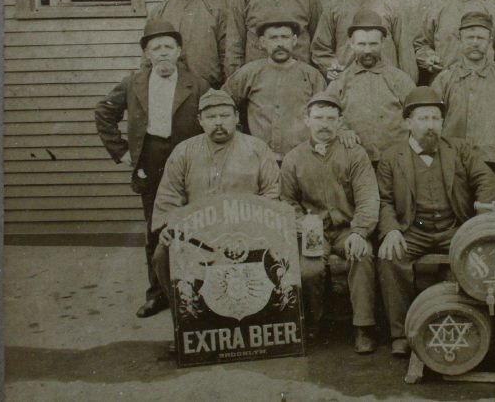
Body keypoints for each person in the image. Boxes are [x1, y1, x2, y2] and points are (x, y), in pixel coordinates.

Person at [94, 21, 210, 318]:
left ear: (179, 51)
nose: (162, 54)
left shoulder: (196, 84)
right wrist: (121, 153)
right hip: (150, 158)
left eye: (168, 47)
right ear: (146, 54)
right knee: (155, 226)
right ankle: (158, 294)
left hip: (188, 158)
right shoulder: (133, 83)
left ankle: (200, 290)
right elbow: (104, 111)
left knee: (196, 221)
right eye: (155, 48)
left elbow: (215, 118)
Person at [375, 87, 495, 357]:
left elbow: (486, 179)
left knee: (476, 256)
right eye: (423, 119)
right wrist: (392, 231)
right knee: (389, 257)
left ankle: (469, 329)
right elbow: (383, 200)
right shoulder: (390, 157)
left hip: (453, 229)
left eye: (435, 119)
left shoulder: (460, 148)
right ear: (408, 123)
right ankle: (401, 333)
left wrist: (481, 216)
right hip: (412, 230)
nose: (430, 126)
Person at [150, 89, 282, 328]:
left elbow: (272, 191)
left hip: (250, 235)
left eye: (224, 115)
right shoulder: (184, 152)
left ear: (236, 117)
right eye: (211, 117)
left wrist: (252, 225)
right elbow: (169, 197)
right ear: (200, 120)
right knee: (162, 253)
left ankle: (262, 323)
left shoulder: (257, 148)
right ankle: (186, 324)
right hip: (199, 237)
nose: (218, 123)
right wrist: (169, 227)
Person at [280, 93, 379, 353]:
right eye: (318, 118)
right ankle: (314, 322)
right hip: (314, 230)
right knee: (309, 270)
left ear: (340, 122)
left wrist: (360, 232)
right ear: (306, 121)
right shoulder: (293, 158)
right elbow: (287, 201)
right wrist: (304, 226)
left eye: (330, 119)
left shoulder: (354, 154)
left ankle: (363, 326)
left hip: (348, 229)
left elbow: (368, 198)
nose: (324, 124)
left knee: (363, 255)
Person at [430, 11, 495, 176]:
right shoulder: (444, 79)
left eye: (480, 38)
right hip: (454, 164)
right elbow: (432, 124)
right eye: (469, 37)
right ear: (460, 40)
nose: (475, 43)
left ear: (490, 41)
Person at [223, 18, 328, 161]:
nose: (280, 43)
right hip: (259, 158)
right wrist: (237, 135)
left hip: (302, 158)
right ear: (262, 42)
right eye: (273, 38)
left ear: (294, 40)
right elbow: (221, 102)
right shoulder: (249, 73)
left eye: (285, 37)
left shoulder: (312, 76)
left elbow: (326, 114)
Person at [326, 9, 416, 166]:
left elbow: (417, 117)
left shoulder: (400, 80)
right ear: (352, 44)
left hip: (395, 163)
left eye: (373, 44)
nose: (367, 50)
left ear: (383, 43)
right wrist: (341, 130)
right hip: (354, 163)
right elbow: (324, 115)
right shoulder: (340, 82)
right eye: (361, 44)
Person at [147, 0, 226, 88]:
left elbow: (225, 52)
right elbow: (147, 54)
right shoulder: (158, 12)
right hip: (168, 85)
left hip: (207, 86)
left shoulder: (214, 10)